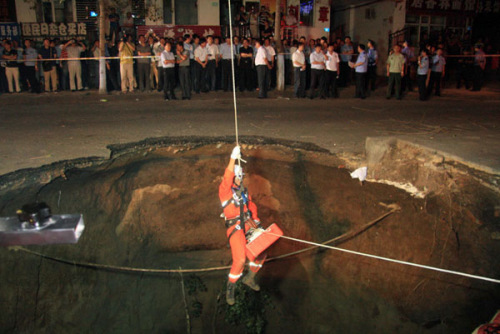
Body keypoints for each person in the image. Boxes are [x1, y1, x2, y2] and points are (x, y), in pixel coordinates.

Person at [219, 146, 266, 305]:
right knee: (239, 260)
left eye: (241, 175)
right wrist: (233, 158)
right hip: (235, 227)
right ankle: (230, 287)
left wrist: (256, 223)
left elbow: (251, 207)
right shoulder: (225, 191)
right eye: (237, 176)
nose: (239, 178)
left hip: (248, 223)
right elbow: (227, 177)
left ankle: (250, 277)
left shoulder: (245, 193)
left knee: (261, 251)